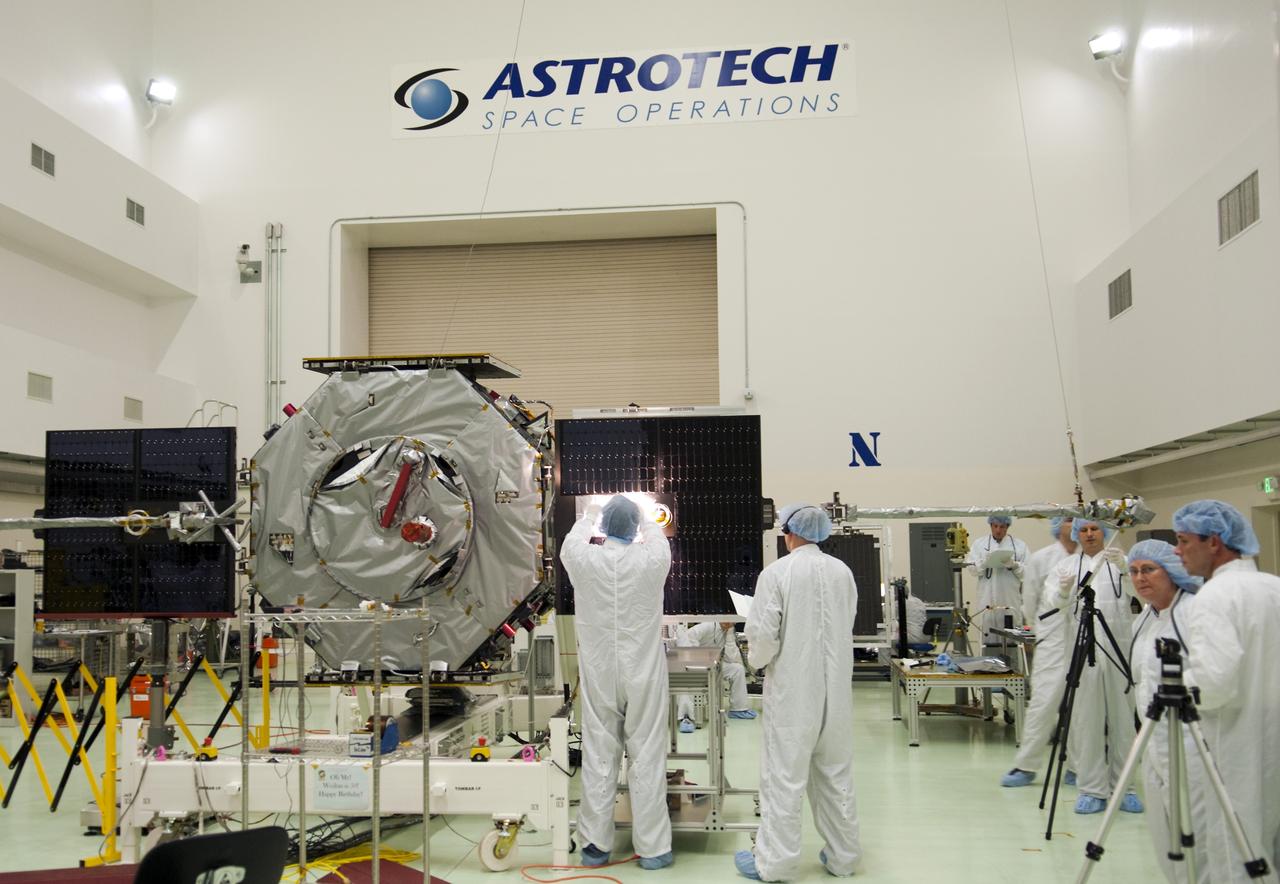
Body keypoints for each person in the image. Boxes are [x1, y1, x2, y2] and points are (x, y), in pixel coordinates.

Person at [735, 504, 860, 881]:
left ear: (788, 533)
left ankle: (775, 864)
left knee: (784, 779)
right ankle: (843, 858)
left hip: (793, 694)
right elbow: (847, 621)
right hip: (836, 694)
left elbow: (762, 637)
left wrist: (756, 661)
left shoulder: (777, 573)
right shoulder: (843, 572)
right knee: (835, 775)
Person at [559, 495, 674, 871]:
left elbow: (570, 544)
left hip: (600, 672)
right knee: (647, 754)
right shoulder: (652, 559)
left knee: (599, 754)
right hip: (643, 672)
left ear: (604, 526)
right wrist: (645, 514)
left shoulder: (584, 559)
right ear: (634, 527)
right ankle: (654, 849)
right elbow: (657, 535)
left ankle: (595, 847)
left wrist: (589, 514)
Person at [1173, 500, 1280, 883]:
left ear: (1214, 542)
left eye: (1184, 541)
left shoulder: (1214, 596)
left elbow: (1214, 685)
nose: (1177, 551)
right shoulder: (1274, 587)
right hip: (1273, 740)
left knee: (1234, 848)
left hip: (1233, 743)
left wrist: (1181, 686)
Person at [1044, 518, 1142, 814]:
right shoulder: (1066, 567)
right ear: (1076, 534)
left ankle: (1125, 787)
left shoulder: (1120, 562)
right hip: (1082, 650)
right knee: (1086, 721)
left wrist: (1126, 569)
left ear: (1105, 532)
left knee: (1123, 722)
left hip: (1118, 650)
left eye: (1094, 529)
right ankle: (1091, 789)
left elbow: (1141, 595)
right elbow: (1053, 603)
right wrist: (1063, 591)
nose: (1089, 534)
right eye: (1084, 529)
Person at [1126, 540, 1205, 884]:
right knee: (1163, 832)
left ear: (1171, 571)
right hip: (1151, 737)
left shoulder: (1192, 613)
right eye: (1133, 571)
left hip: (1189, 742)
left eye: (1148, 570)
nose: (1140, 578)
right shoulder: (1145, 618)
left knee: (1194, 831)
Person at [999, 516, 1079, 787]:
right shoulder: (1042, 559)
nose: (1073, 525)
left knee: (1082, 705)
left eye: (1076, 520)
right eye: (1067, 519)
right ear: (1057, 526)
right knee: (1043, 702)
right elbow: (1030, 601)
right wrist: (1039, 630)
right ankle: (1026, 765)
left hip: (1083, 638)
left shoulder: (1090, 558)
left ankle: (1078, 766)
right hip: (1052, 638)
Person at [675, 621, 756, 734]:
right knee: (686, 679)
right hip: (692, 663)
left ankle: (738, 709)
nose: (729, 623)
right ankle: (686, 718)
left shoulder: (729, 632)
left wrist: (729, 636)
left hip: (712, 665)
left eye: (732, 621)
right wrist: (698, 658)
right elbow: (686, 639)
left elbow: (731, 658)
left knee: (737, 669)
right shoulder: (707, 626)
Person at [964, 515, 1029, 639]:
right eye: (995, 526)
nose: (998, 530)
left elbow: (1028, 573)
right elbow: (972, 570)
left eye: (1002, 527)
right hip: (986, 600)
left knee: (1011, 640)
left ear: (1007, 527)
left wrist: (1015, 565)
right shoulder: (979, 544)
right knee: (987, 639)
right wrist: (984, 563)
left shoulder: (1019, 546)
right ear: (991, 526)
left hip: (1010, 601)